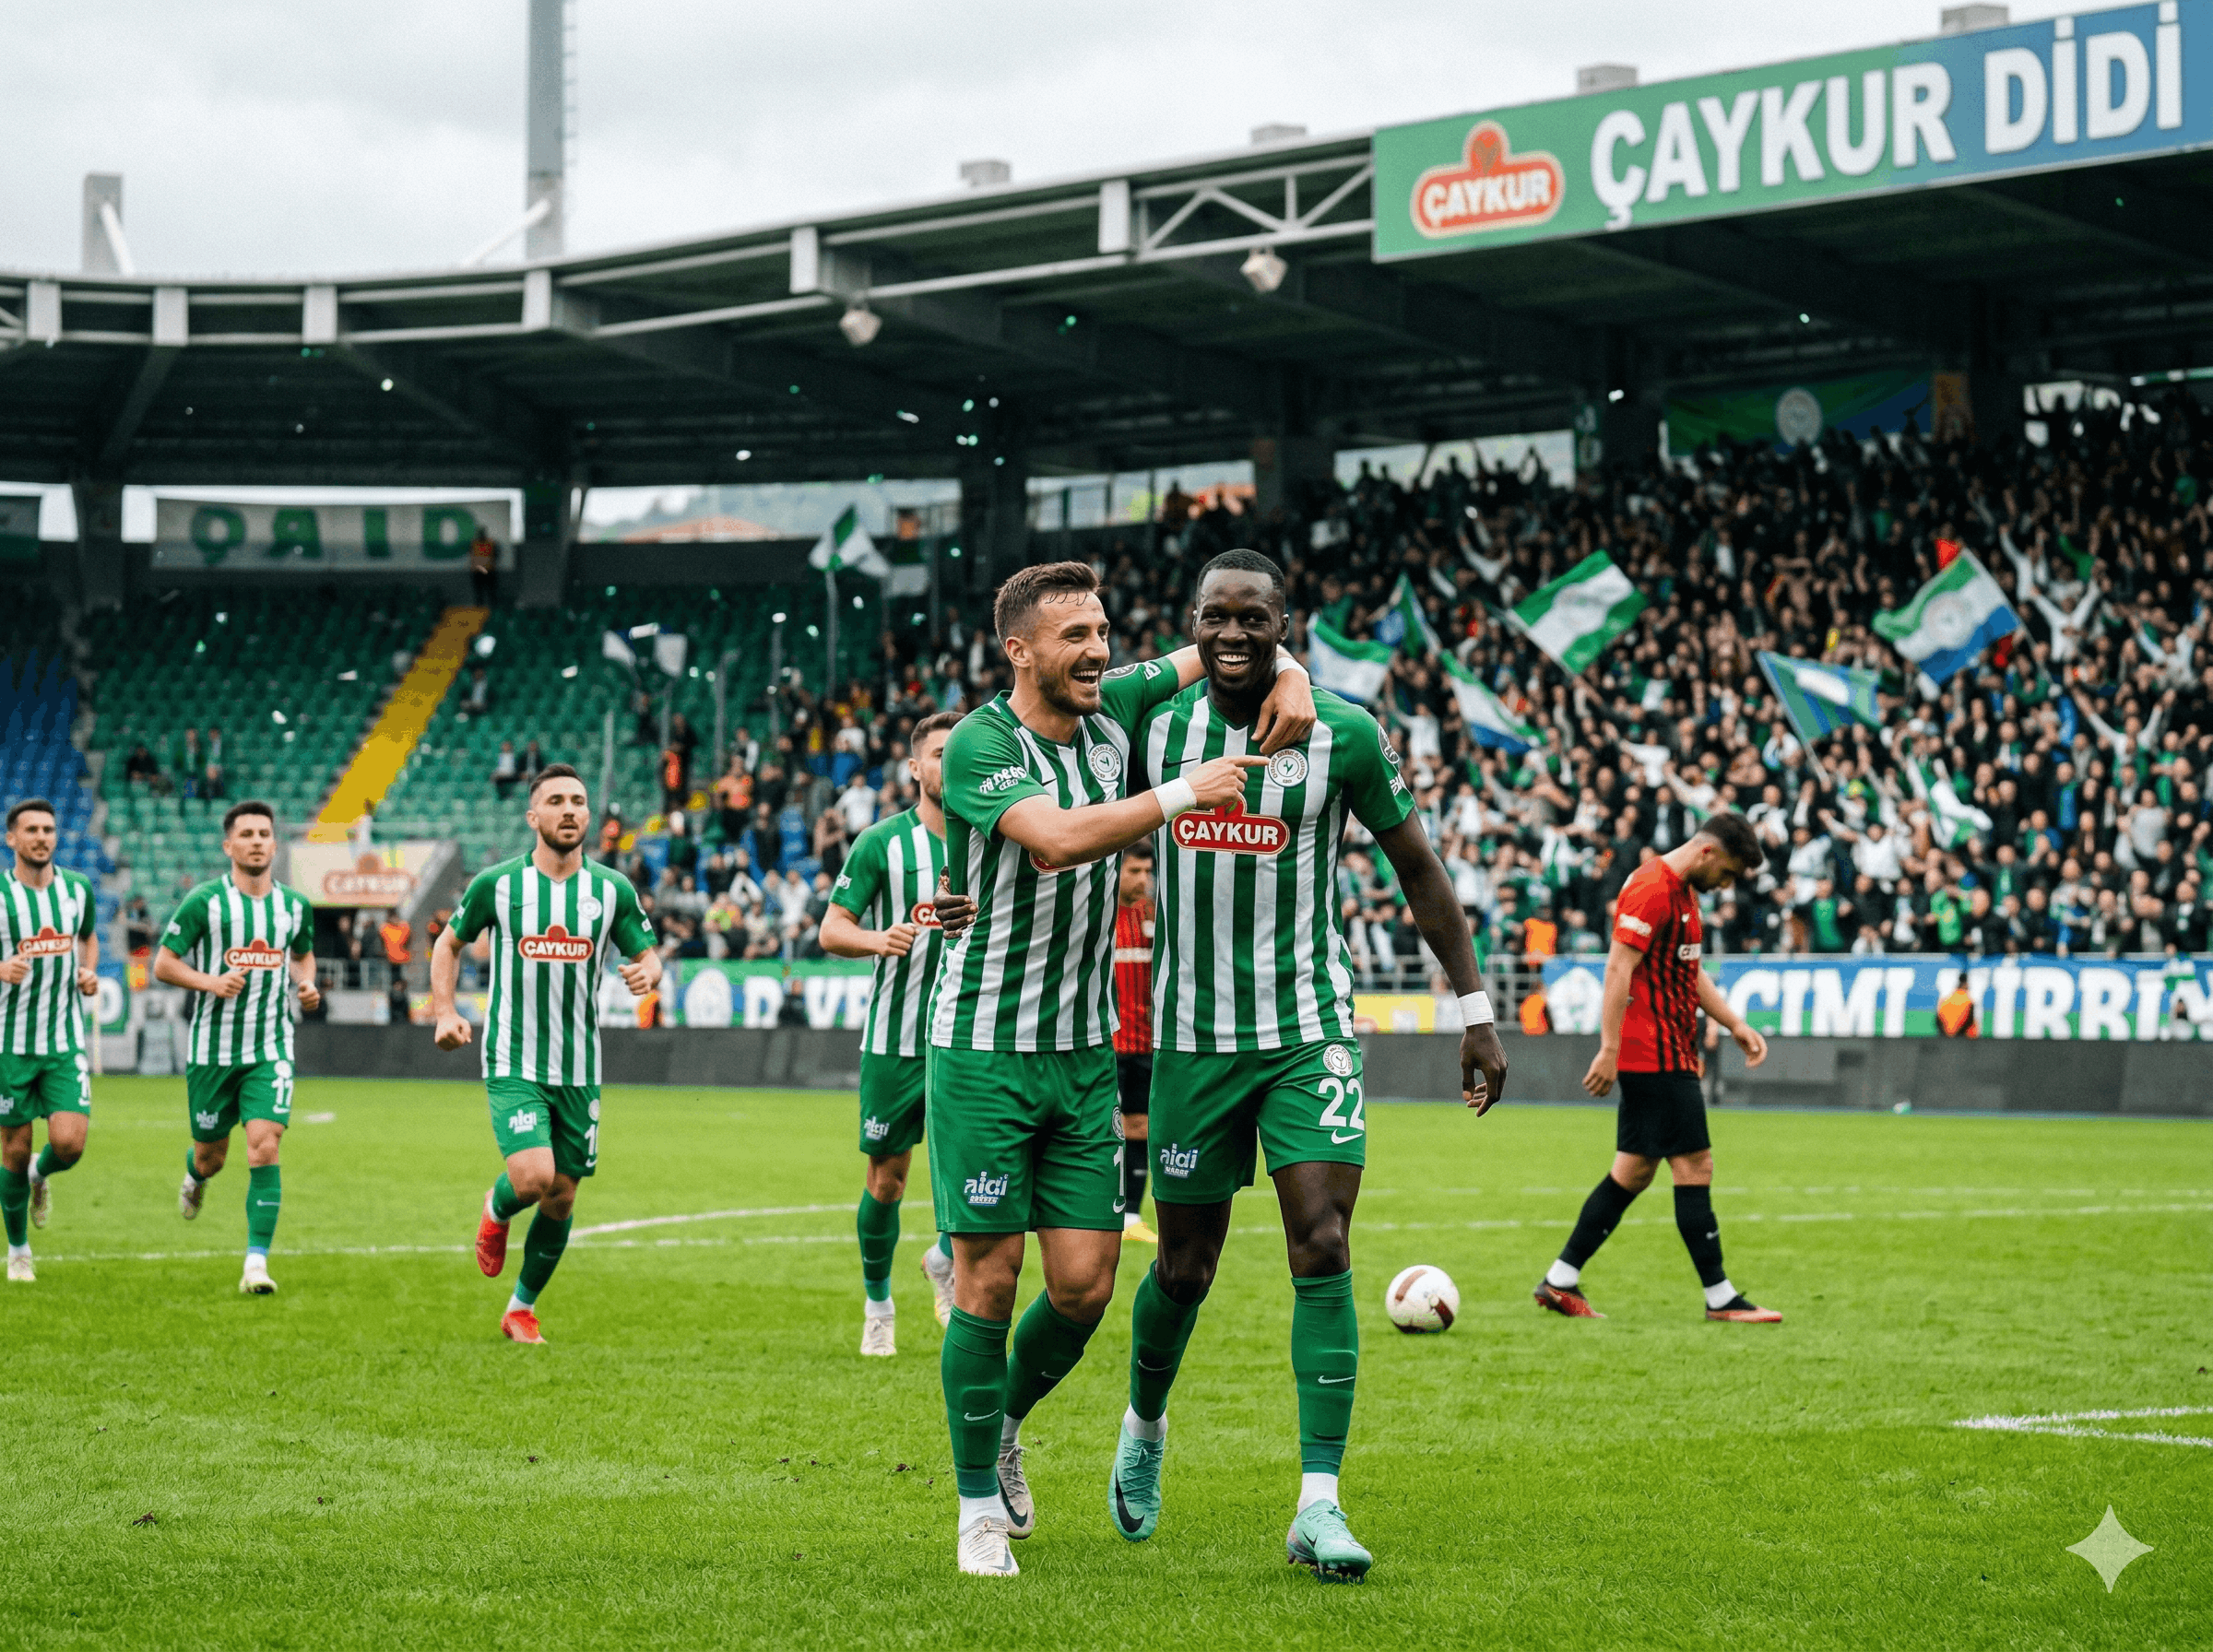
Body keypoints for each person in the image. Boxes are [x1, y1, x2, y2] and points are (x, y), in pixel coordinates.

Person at [1109, 549, 1509, 1582]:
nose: (1233, 633)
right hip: (1193, 1038)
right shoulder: (1153, 723)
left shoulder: (1344, 731)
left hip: (1308, 1027)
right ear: (1192, 626)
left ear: (1288, 622)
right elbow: (1084, 697)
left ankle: (1318, 1503)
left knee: (1322, 1241)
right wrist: (1205, 668)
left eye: (1254, 618)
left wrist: (1475, 1011)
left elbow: (1417, 866)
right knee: (1186, 1265)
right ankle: (1145, 1425)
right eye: (1214, 617)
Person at [928, 559, 1313, 1578]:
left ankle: (1001, 1422)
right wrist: (1186, 790)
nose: (1100, 650)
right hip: (983, 1051)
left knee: (1088, 1286)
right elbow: (1053, 842)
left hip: (1084, 1056)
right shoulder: (981, 742)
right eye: (1075, 637)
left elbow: (1237, 647)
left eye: (1104, 631)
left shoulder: (1118, 707)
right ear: (1020, 652)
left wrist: (1297, 678)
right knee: (989, 1279)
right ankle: (974, 1511)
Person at [432, 765, 661, 1345]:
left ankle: (521, 1308)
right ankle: (498, 1206)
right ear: (533, 816)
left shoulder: (611, 890)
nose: (568, 810)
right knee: (534, 1177)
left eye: (578, 801)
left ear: (589, 816)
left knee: (562, 1194)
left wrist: (646, 972)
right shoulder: (498, 886)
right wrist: (445, 1011)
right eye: (555, 801)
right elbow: (448, 943)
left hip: (580, 1067)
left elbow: (648, 952)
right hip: (513, 1058)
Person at [1535, 812, 1780, 1324]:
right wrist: (1608, 1048)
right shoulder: (1651, 888)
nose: (1726, 886)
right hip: (1656, 1056)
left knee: (1634, 1171)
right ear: (1708, 853)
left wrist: (1733, 1022)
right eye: (1729, 873)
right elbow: (1618, 967)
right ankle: (1720, 1297)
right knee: (1695, 1165)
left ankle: (1559, 1280)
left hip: (1668, 1052)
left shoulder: (1684, 892)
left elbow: (1688, 973)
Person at [820, 711, 975, 1356]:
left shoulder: (996, 835)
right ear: (915, 768)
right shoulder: (883, 843)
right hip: (895, 1041)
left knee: (980, 1179)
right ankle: (879, 1304)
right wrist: (876, 940)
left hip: (972, 1041)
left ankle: (944, 1260)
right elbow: (832, 930)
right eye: (937, 753)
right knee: (887, 1181)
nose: (948, 763)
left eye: (958, 753)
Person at [155, 801, 321, 1295]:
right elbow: (164, 963)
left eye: (264, 833)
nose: (256, 841)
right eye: (246, 834)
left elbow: (303, 952)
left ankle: (255, 1264)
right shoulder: (205, 902)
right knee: (211, 1157)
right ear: (229, 845)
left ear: (274, 843)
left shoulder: (294, 906)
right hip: (212, 1053)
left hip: (271, 1049)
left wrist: (307, 984)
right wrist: (210, 982)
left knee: (265, 1145)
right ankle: (195, 1176)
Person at [0, 798, 101, 1282]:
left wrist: (89, 972)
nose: (42, 837)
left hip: (63, 1041)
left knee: (70, 1144)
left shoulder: (78, 889)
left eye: (49, 829)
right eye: (31, 830)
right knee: (13, 1150)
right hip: (9, 1045)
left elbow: (89, 936)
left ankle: (42, 1177)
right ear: (12, 838)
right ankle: (18, 1249)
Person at [1111, 842, 1158, 1246]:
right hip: (1105, 1043)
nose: (1143, 880)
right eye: (1135, 871)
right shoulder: (1100, 914)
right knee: (1102, 1131)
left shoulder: (1156, 917)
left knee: (1140, 1127)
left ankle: (1131, 1215)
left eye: (1148, 871)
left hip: (1146, 1043)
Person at [469, 525, 497, 607]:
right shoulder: (474, 543)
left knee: (491, 592)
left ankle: (492, 609)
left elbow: (496, 555)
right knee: (478, 592)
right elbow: (471, 555)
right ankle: (479, 608)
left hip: (489, 570)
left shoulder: (491, 543)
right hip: (477, 572)